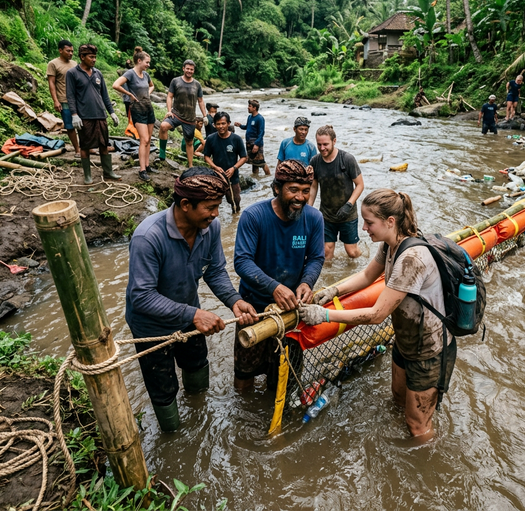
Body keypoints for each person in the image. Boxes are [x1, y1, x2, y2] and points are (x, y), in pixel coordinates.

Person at [299, 189, 456, 439]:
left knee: (418, 427)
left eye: (369, 222)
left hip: (428, 350)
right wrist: (334, 290)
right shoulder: (390, 245)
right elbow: (366, 276)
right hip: (405, 343)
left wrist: (324, 316)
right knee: (397, 402)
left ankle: (423, 465)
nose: (364, 228)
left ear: (390, 222)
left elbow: (376, 314)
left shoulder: (411, 259)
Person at [125, 167, 259, 432]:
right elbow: (141, 297)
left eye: (218, 206)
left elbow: (215, 270)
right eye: (210, 207)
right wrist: (195, 315)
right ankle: (173, 436)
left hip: (188, 316)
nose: (215, 214)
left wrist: (234, 300)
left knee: (197, 366)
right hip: (151, 328)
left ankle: (199, 421)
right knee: (163, 389)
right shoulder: (148, 237)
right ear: (185, 204)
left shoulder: (210, 227)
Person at [233, 160, 324, 390]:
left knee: (287, 379)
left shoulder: (314, 218)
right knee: (244, 375)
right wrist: (274, 287)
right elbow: (242, 262)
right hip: (254, 309)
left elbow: (316, 257)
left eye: (305, 191)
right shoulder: (253, 216)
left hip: (292, 310)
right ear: (276, 188)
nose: (300, 197)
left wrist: (306, 281)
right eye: (293, 190)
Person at [66, 44, 121, 184]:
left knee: (104, 144)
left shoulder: (98, 73)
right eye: (91, 57)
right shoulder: (72, 73)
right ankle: (87, 176)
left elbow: (105, 95)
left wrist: (112, 113)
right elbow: (70, 96)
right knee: (85, 146)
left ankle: (108, 172)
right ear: (82, 57)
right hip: (84, 116)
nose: (94, 59)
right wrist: (74, 114)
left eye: (95, 57)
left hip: (100, 114)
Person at [309, 125, 364, 262]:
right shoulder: (315, 161)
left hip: (348, 213)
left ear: (334, 141)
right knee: (327, 253)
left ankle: (364, 257)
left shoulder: (347, 159)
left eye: (325, 144)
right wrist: (308, 208)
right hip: (327, 214)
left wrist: (348, 205)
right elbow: (314, 187)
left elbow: (360, 185)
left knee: (351, 252)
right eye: (319, 144)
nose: (322, 148)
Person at [112, 47, 156, 181]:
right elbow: (116, 85)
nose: (148, 65)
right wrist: (129, 94)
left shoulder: (146, 75)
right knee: (144, 140)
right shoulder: (130, 73)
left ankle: (147, 165)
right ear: (139, 61)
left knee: (149, 139)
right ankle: (142, 170)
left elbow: (152, 86)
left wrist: (148, 93)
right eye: (147, 62)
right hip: (137, 108)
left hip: (148, 107)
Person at [158, 60, 208, 167]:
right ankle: (162, 153)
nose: (189, 71)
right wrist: (169, 110)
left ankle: (190, 165)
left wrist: (204, 116)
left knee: (189, 142)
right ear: (183, 69)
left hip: (190, 118)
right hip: (176, 114)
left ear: (193, 71)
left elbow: (200, 100)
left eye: (191, 69)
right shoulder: (175, 81)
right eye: (188, 69)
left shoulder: (197, 84)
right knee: (163, 126)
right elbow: (169, 96)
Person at [203, 111, 247, 213]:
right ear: (214, 125)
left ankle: (236, 211)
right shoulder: (211, 139)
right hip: (217, 174)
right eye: (218, 124)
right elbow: (206, 157)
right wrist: (215, 167)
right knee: (213, 198)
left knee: (234, 198)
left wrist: (234, 168)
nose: (221, 126)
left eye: (223, 123)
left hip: (232, 174)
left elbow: (244, 157)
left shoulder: (236, 139)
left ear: (228, 123)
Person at [47, 39, 80, 158]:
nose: (70, 53)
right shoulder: (53, 64)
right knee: (70, 126)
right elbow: (51, 83)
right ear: (60, 50)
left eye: (72, 51)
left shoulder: (75, 63)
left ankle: (86, 147)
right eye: (68, 51)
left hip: (78, 99)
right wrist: (55, 100)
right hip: (64, 99)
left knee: (83, 124)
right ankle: (77, 149)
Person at [234, 99, 270, 176]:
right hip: (249, 143)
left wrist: (257, 144)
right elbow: (247, 127)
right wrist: (240, 125)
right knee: (254, 162)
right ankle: (255, 177)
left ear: (254, 108)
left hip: (256, 143)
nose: (248, 107)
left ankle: (269, 176)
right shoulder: (250, 117)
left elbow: (261, 133)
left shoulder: (260, 118)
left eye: (249, 106)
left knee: (261, 162)